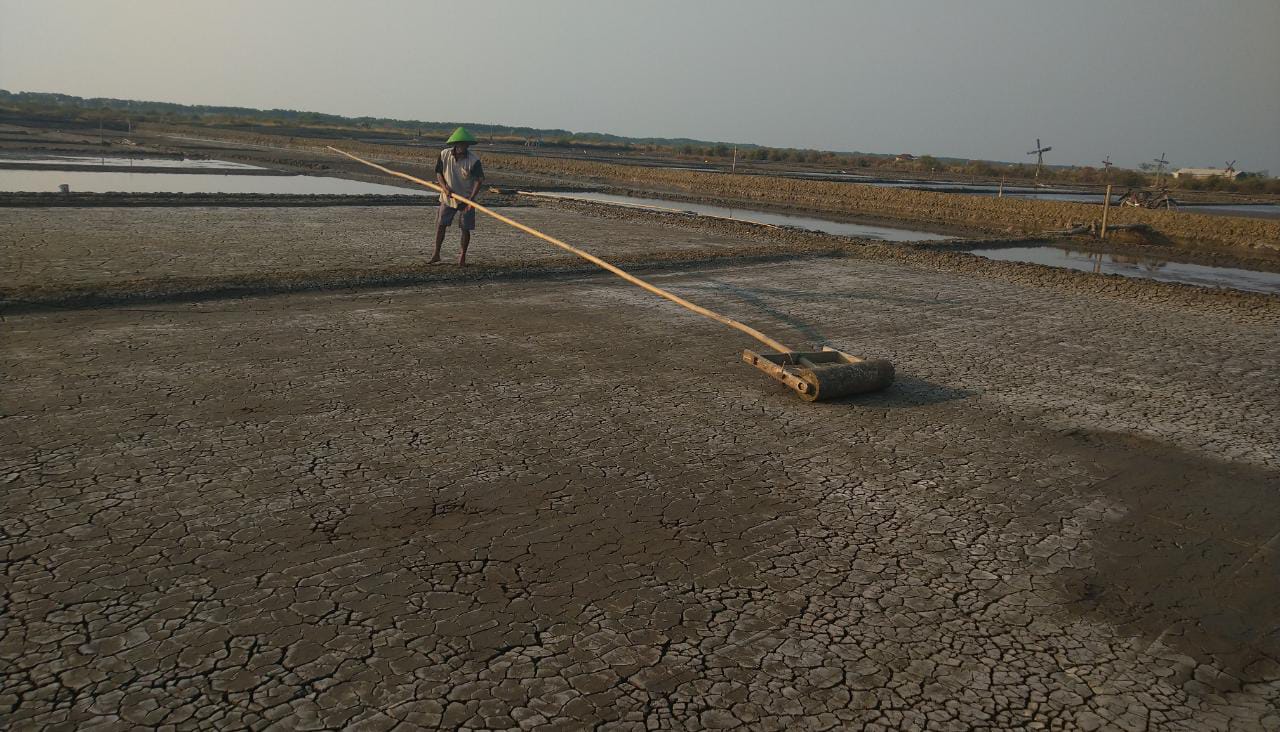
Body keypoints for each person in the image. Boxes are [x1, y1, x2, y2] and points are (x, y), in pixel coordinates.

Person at [431, 126, 485, 265]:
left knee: (465, 228)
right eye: (460, 144)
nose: (462, 147)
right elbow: (439, 172)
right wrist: (444, 187)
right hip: (448, 197)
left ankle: (462, 255)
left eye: (465, 144)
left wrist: (471, 200)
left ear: (467, 145)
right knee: (441, 224)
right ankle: (436, 253)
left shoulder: (474, 160)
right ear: (455, 144)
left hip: (466, 198)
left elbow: (479, 180)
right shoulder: (444, 154)